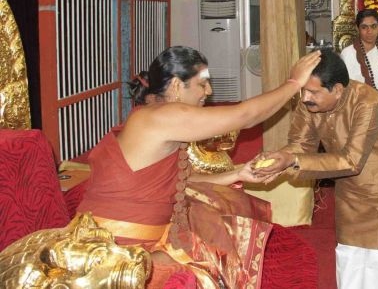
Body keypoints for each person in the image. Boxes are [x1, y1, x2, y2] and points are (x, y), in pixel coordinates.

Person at [77, 46, 322, 288]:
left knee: (217, 215)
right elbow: (244, 116)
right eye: (202, 83)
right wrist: (293, 83)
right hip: (115, 249)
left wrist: (238, 173)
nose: (209, 91)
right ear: (176, 86)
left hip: (137, 238)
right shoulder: (158, 118)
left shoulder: (156, 117)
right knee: (209, 247)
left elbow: (182, 180)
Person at [254, 50, 378, 289]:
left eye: (313, 92)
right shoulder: (308, 104)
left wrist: (292, 160)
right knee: (349, 252)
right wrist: (280, 158)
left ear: (338, 90)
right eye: (303, 90)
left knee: (377, 258)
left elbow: (352, 161)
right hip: (349, 183)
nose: (305, 98)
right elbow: (300, 145)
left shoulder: (367, 104)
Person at [340, 9, 378, 107]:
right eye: (364, 27)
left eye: (373, 26)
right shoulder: (348, 54)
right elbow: (344, 88)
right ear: (357, 28)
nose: (369, 31)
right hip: (356, 109)